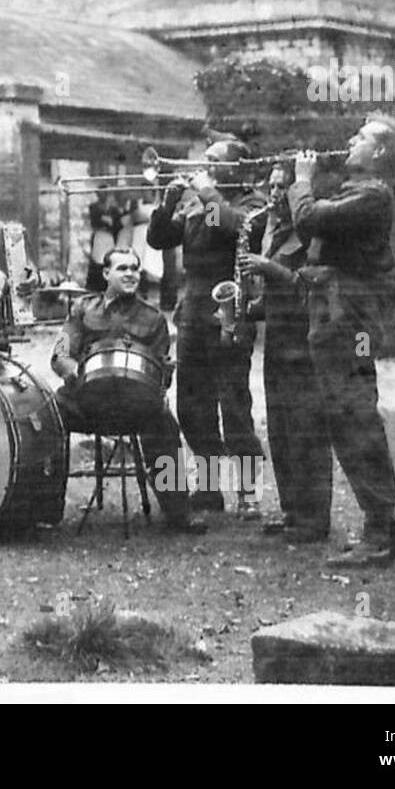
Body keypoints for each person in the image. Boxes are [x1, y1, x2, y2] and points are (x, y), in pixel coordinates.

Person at [288, 115, 395, 566]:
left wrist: (300, 181)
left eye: (360, 137)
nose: (350, 141)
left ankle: (381, 532)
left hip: (350, 316)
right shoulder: (360, 192)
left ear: (380, 152)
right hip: (338, 311)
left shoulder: (373, 194)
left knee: (354, 415)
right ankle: (381, 530)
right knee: (346, 415)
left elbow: (308, 219)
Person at [146, 137, 268, 518]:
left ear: (239, 168)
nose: (207, 165)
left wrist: (205, 191)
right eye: (207, 160)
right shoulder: (199, 204)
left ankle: (249, 493)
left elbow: (231, 229)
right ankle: (210, 487)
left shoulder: (251, 204)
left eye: (215, 160)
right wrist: (166, 203)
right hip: (192, 312)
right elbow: (159, 238)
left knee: (234, 407)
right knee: (193, 407)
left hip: (228, 312)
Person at [51, 248, 207, 534]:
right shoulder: (81, 309)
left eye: (135, 268)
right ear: (106, 273)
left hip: (135, 405)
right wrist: (72, 370)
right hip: (85, 401)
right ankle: (45, 508)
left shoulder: (154, 318)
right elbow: (60, 352)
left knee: (164, 424)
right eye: (122, 268)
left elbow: (160, 372)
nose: (131, 274)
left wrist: (164, 376)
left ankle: (178, 512)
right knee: (48, 415)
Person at [239, 164, 331, 542]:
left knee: (307, 431)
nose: (275, 195)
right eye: (272, 187)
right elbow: (278, 296)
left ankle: (314, 519)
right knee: (280, 429)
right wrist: (247, 307)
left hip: (306, 345)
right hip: (278, 341)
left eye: (283, 188)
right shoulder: (273, 232)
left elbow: (308, 290)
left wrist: (267, 267)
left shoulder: (315, 236)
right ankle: (293, 512)